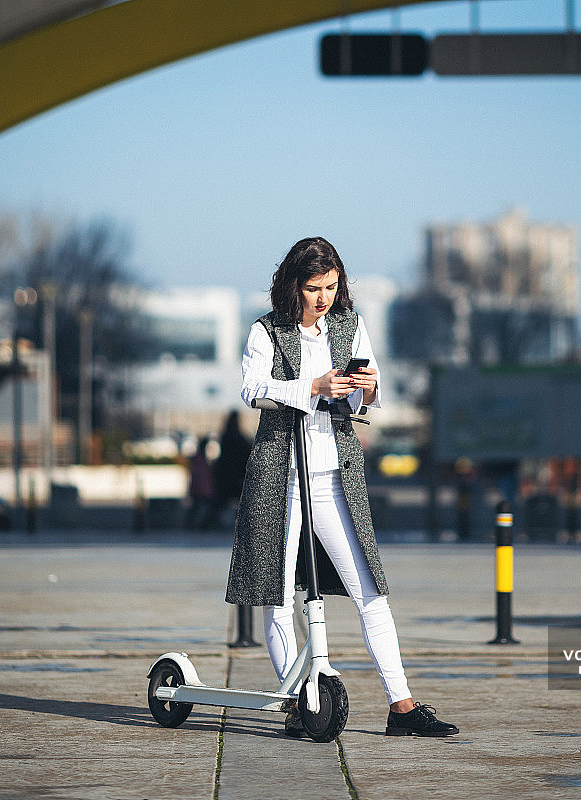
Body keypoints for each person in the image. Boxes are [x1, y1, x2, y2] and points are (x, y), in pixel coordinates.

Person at [225, 236, 458, 738]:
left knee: (369, 591)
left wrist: (365, 391)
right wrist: (312, 387)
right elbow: (251, 389)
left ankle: (403, 708)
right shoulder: (266, 331)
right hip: (280, 475)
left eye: (331, 286)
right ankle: (299, 700)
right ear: (294, 286)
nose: (324, 297)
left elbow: (364, 398)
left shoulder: (350, 326)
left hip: (335, 475)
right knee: (279, 596)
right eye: (313, 288)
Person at [213, 410, 252, 525]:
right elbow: (245, 451)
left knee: (222, 501)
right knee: (240, 500)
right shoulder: (237, 437)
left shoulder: (225, 436)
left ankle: (213, 522)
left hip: (226, 473)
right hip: (237, 473)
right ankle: (241, 522)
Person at [185, 437, 216, 529]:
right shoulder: (201, 459)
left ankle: (193, 524)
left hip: (200, 488)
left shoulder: (197, 458)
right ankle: (196, 525)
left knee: (197, 507)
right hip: (202, 488)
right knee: (199, 506)